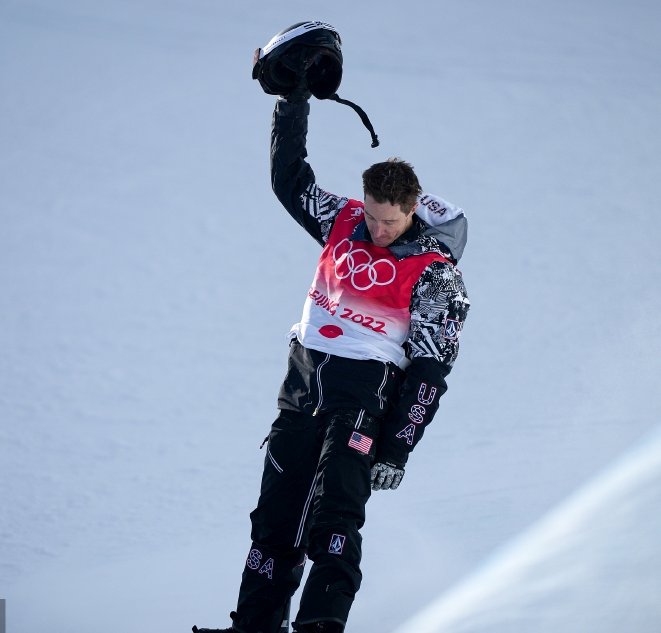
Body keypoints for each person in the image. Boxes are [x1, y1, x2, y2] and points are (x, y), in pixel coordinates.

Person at [194, 59, 470, 633]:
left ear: (413, 209)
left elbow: (430, 372)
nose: (377, 230)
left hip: (361, 400)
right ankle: (254, 626)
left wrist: (397, 449)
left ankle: (320, 626)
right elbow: (290, 181)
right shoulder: (343, 219)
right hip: (301, 390)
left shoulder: (436, 274)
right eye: (371, 216)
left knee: (333, 522)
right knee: (274, 521)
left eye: (389, 222)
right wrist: (292, 101)